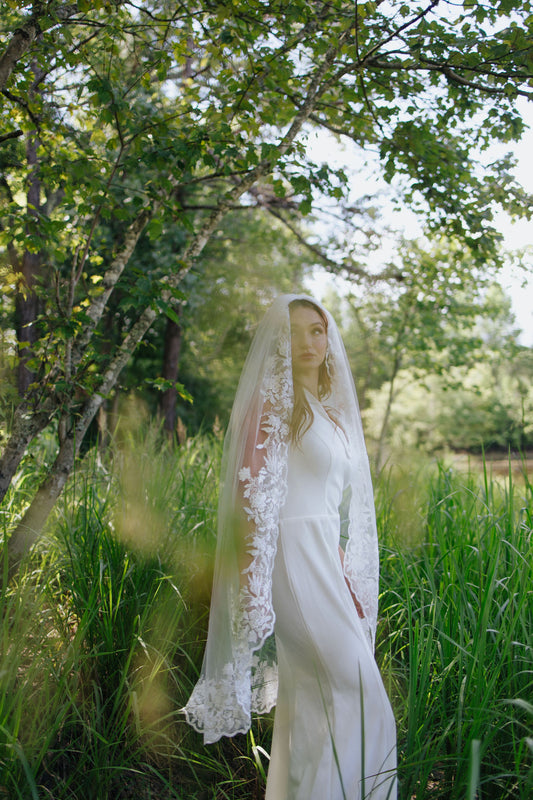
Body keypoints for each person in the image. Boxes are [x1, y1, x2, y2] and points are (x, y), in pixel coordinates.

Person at [183, 294, 397, 799]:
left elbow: (328, 507)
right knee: (360, 693)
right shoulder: (268, 407)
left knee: (314, 704)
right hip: (288, 560)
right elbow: (247, 500)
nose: (307, 341)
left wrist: (346, 573)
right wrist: (249, 588)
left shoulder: (329, 412)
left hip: (325, 562)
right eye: (294, 331)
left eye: (316, 330)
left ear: (328, 338)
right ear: (278, 342)